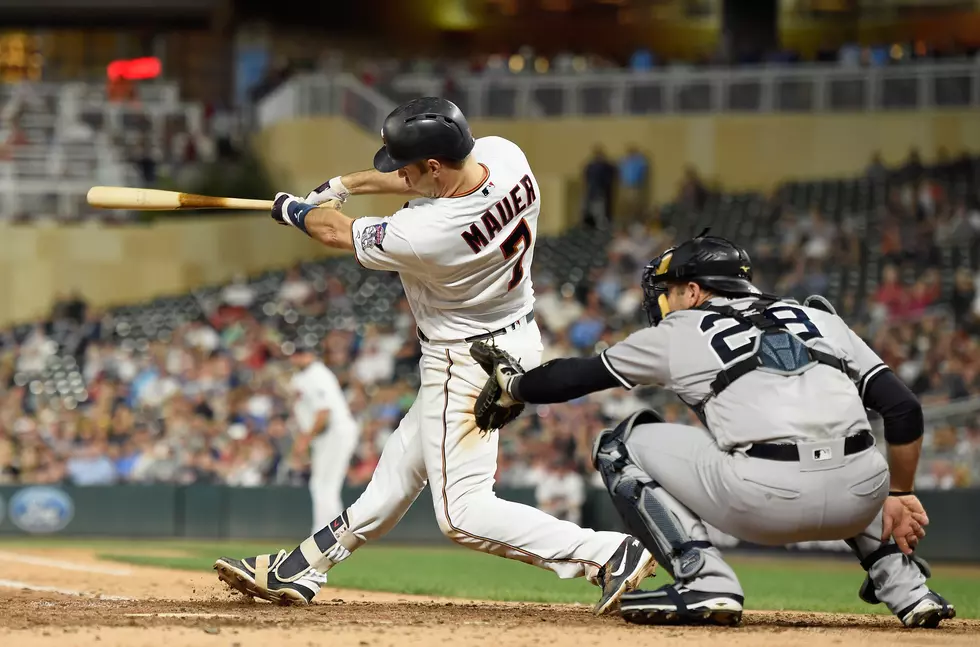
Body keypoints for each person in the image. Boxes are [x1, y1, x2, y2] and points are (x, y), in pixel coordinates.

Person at [213, 97, 655, 612]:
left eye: (407, 164)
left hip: (467, 361)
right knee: (399, 471)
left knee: (463, 513)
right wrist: (346, 185)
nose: (399, 172)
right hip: (514, 339)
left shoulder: (426, 234)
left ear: (434, 165)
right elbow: (420, 181)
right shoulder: (505, 156)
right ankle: (306, 566)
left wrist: (293, 211)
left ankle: (607, 553)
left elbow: (336, 231)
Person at [474, 231, 956, 629]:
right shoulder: (817, 317)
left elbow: (577, 377)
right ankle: (909, 590)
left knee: (621, 443)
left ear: (693, 290)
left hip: (765, 501)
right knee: (842, 447)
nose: (662, 302)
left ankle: (706, 581)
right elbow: (903, 409)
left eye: (666, 292)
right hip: (862, 497)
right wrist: (900, 491)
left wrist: (515, 384)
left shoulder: (681, 330)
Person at [287, 340, 360, 537]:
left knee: (326, 485)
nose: (298, 357)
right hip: (326, 435)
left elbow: (323, 414)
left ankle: (327, 534)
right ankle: (332, 534)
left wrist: (304, 440)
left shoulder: (317, 375)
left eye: (302, 353)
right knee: (322, 484)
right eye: (296, 354)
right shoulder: (302, 376)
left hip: (335, 431)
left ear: (312, 355)